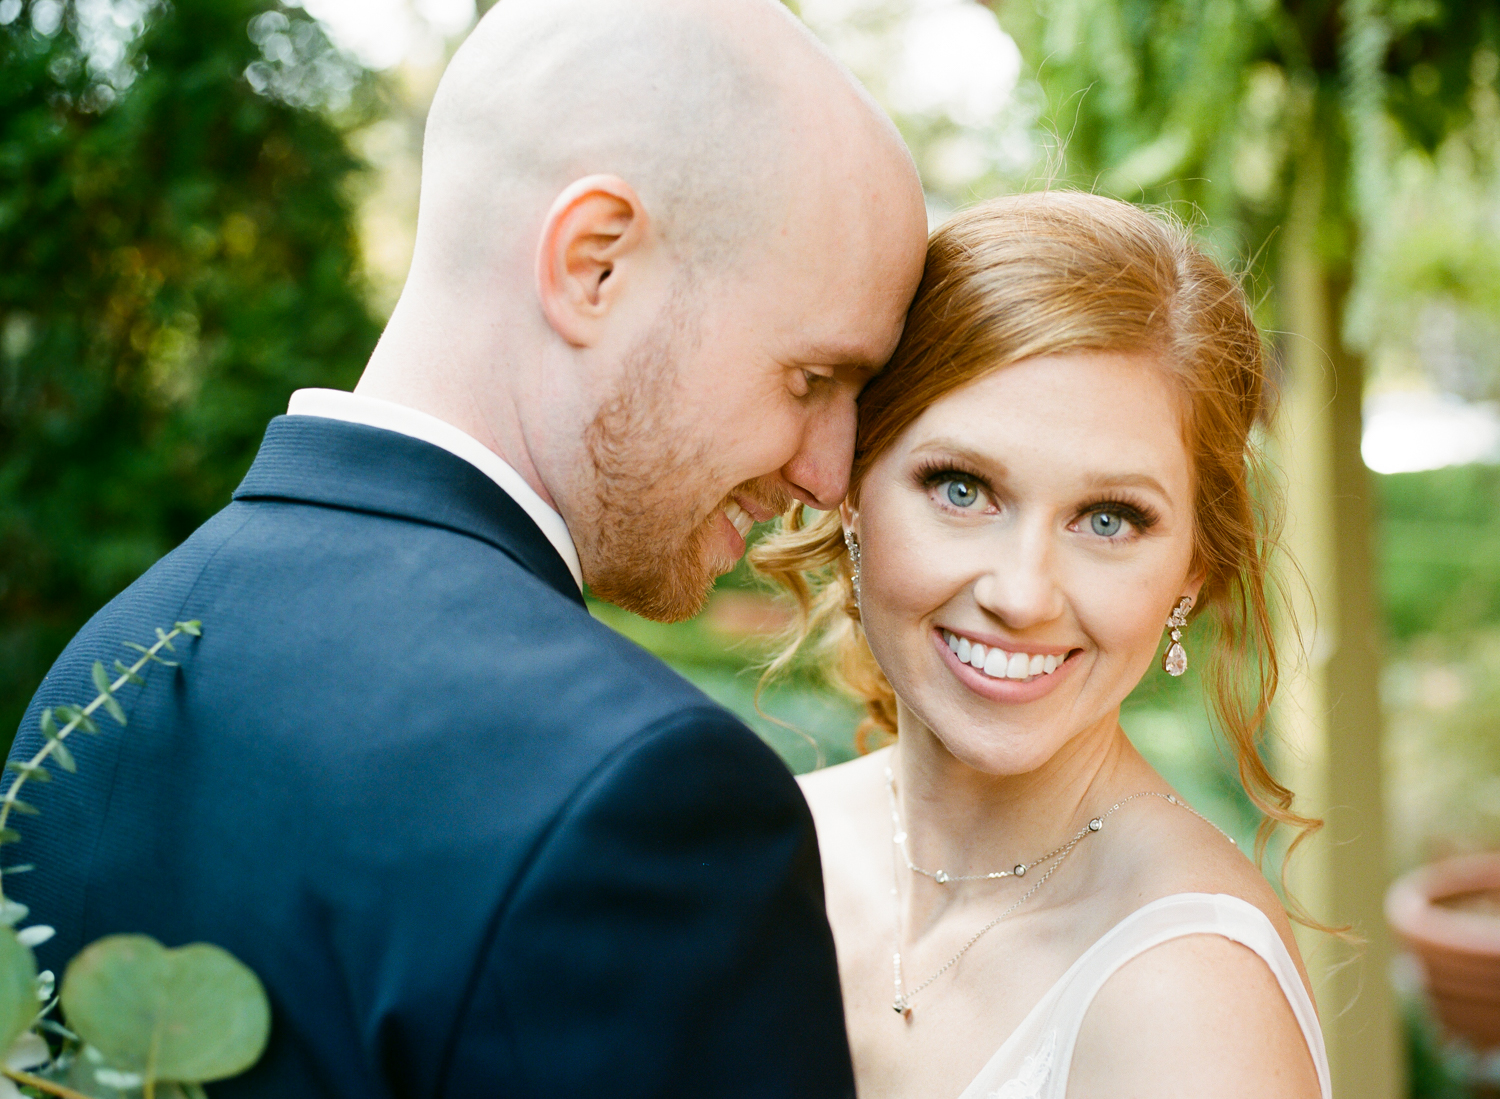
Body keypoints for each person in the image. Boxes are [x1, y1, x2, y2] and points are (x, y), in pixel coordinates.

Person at [7, 1, 927, 1095]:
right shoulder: (647, 796)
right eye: (811, 379)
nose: (828, 473)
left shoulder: (108, 671)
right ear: (595, 266)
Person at [753, 191, 1332, 1099]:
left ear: (1192, 568)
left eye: (1108, 518)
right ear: (850, 484)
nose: (1021, 593)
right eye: (961, 487)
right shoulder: (768, 847)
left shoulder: (1185, 998)